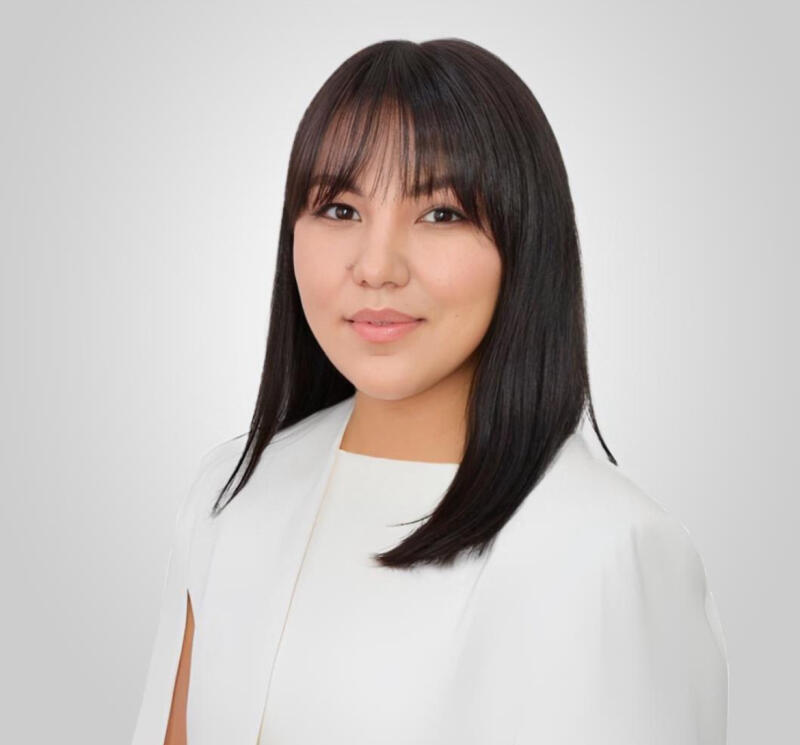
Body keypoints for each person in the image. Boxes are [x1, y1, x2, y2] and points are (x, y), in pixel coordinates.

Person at [131, 38, 729, 745]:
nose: (376, 266)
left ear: (525, 242)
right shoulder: (231, 493)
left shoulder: (608, 549)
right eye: (340, 209)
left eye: (441, 212)